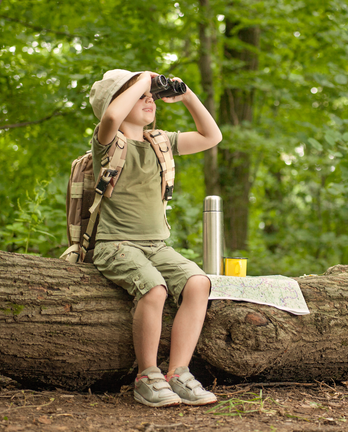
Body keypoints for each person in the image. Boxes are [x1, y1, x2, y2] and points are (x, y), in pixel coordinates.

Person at [88, 69, 222, 407]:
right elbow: (114, 115)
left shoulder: (160, 142)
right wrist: (143, 81)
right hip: (115, 245)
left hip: (156, 246)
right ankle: (147, 375)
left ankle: (178, 372)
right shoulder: (107, 143)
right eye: (140, 95)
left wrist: (187, 95)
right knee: (154, 287)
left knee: (197, 283)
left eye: (151, 95)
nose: (150, 99)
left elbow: (211, 136)